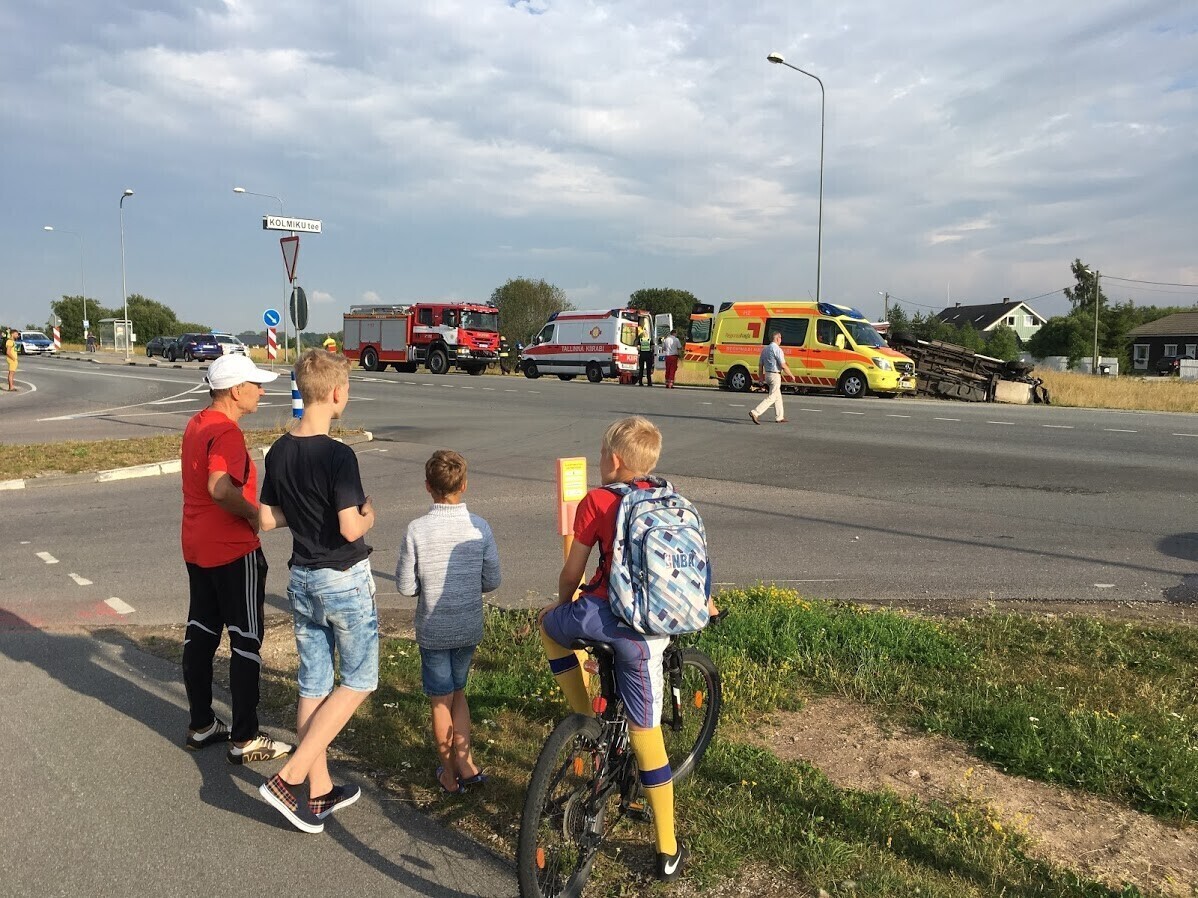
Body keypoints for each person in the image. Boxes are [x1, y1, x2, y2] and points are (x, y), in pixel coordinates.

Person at [538, 416, 688, 882]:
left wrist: (563, 604)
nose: (600, 460)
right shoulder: (671, 500)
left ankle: (584, 720)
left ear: (615, 460)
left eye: (603, 453)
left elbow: (572, 572)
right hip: (645, 634)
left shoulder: (597, 500)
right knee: (647, 734)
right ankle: (667, 848)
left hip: (598, 616)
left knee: (549, 628)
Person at [256, 350, 378, 833]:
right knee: (360, 681)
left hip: (302, 578)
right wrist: (369, 514)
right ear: (337, 394)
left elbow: (267, 518)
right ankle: (290, 777)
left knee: (314, 683)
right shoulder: (339, 454)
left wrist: (308, 512)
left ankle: (320, 789)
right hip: (342, 578)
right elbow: (349, 527)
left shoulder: (278, 451)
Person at [180, 354, 294, 766]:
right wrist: (252, 514)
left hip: (196, 544)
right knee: (246, 639)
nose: (261, 392)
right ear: (235, 390)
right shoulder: (226, 432)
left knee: (201, 631)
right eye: (255, 385)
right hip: (232, 549)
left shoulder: (198, 423)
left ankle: (202, 723)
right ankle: (245, 737)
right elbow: (218, 486)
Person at [396, 450, 500, 795]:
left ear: (428, 486)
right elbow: (493, 579)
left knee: (440, 700)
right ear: (464, 485)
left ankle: (450, 776)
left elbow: (405, 586)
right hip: (468, 624)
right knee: (459, 692)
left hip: (434, 629)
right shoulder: (480, 526)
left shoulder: (416, 530)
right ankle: (467, 764)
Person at [749, 331, 793, 425]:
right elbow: (783, 365)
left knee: (778, 396)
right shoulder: (777, 349)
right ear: (777, 338)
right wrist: (791, 375)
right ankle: (755, 412)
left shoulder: (765, 349)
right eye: (780, 338)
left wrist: (761, 378)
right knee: (772, 397)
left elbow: (760, 365)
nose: (781, 340)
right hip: (775, 375)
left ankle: (779, 417)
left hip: (767, 375)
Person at [636, 322, 655, 386]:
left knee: (641, 369)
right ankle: (649, 382)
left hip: (642, 355)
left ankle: (640, 382)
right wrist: (651, 351)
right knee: (648, 370)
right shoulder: (649, 340)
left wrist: (640, 351)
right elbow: (652, 347)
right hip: (648, 355)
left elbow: (638, 348)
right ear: (647, 334)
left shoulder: (640, 340)